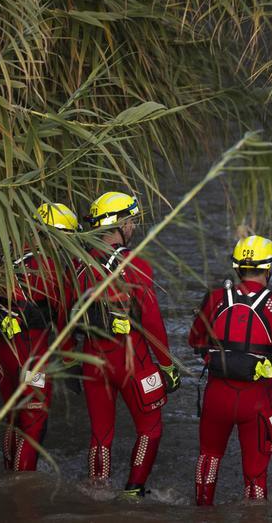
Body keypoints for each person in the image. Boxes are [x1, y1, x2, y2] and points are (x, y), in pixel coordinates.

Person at [70, 191, 179, 500]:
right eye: (131, 220)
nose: (133, 226)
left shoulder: (78, 264)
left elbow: (65, 315)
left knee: (101, 434)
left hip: (91, 356)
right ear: (118, 224)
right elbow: (153, 321)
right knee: (150, 428)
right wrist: (168, 366)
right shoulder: (135, 264)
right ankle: (133, 491)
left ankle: (97, 490)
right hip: (131, 358)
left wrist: (69, 360)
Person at [189, 235, 272, 505]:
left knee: (209, 456)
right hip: (257, 400)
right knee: (255, 473)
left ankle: (201, 512)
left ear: (237, 267)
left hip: (217, 395)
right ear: (270, 268)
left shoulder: (214, 298)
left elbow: (195, 340)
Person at [0, 202, 79, 472]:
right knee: (34, 421)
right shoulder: (51, 268)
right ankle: (23, 485)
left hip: (0, 352)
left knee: (14, 417)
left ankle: (8, 472)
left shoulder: (7, 256)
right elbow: (64, 322)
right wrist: (72, 363)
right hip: (30, 357)